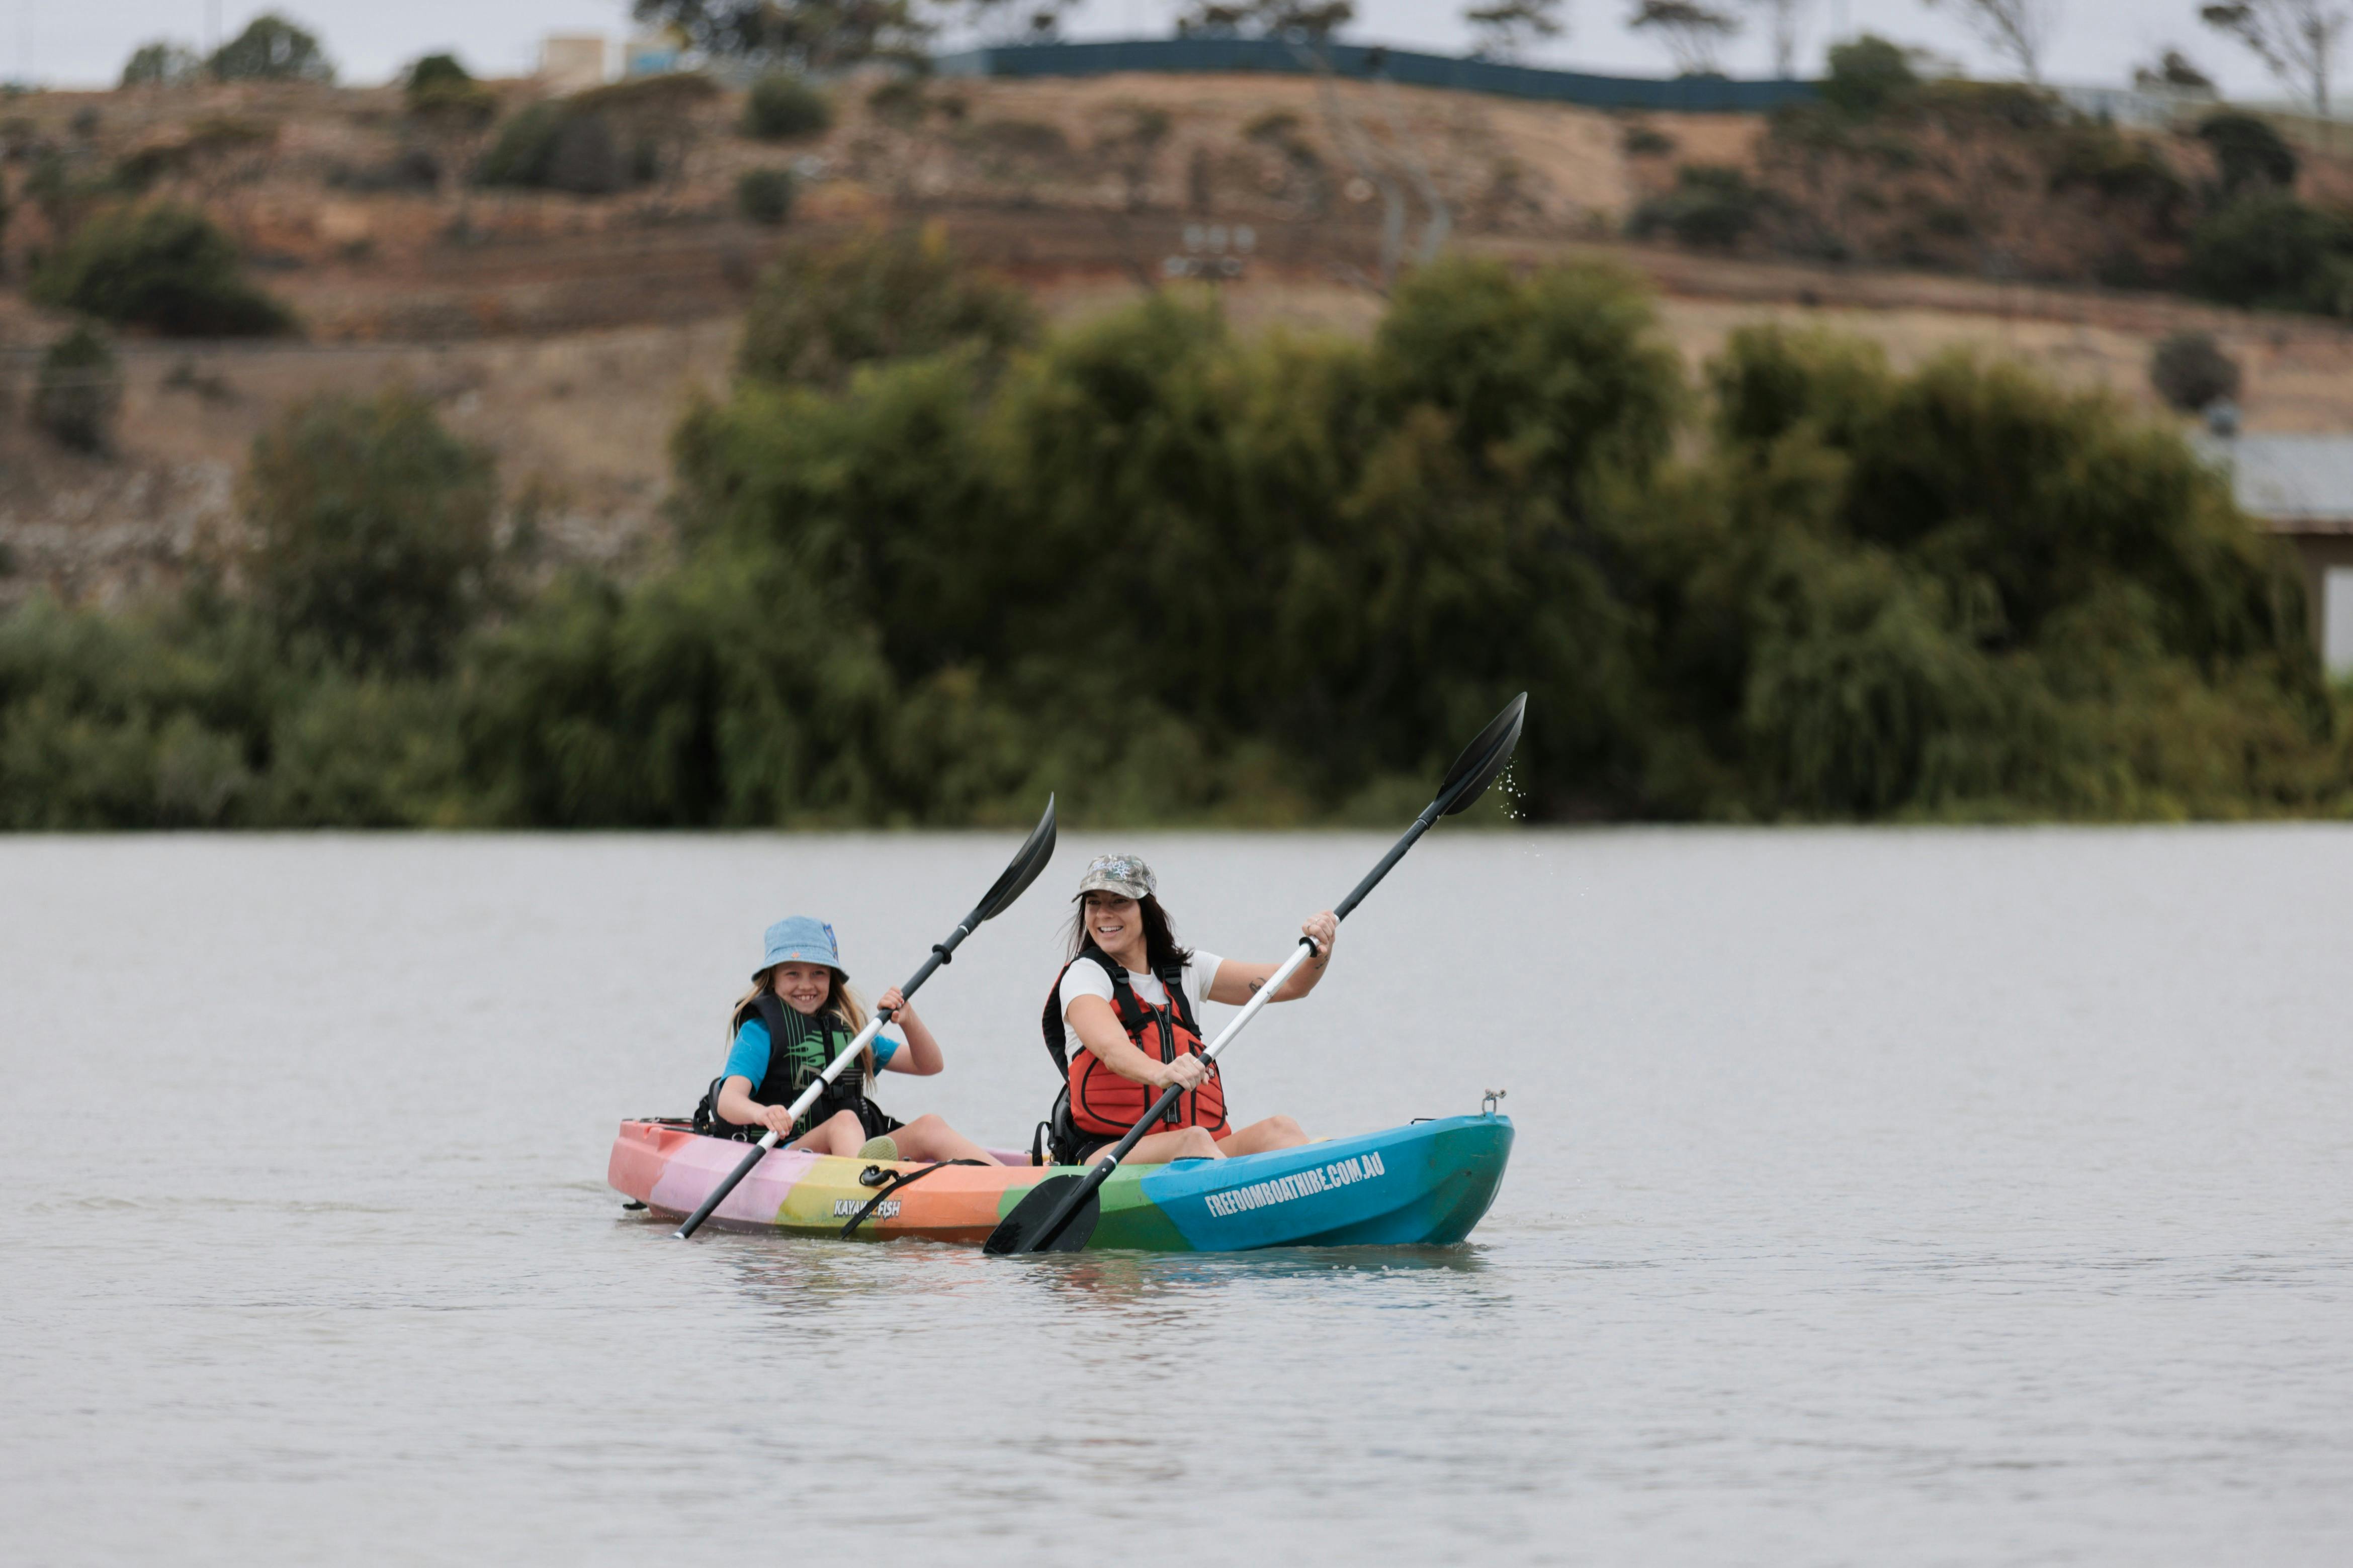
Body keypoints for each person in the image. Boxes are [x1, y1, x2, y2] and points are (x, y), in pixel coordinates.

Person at [1044, 853, 1332, 1165]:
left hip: (1197, 1150)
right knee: (1193, 1139)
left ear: (1146, 909)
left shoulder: (1187, 970)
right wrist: (1161, 1072)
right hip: (1108, 1156)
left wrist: (1320, 951)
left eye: (1119, 902)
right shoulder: (1084, 976)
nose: (1103, 915)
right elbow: (1111, 1048)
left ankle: (1327, 1194)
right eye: (1094, 903)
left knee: (1280, 1129)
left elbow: (1292, 985)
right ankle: (1236, 1205)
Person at [700, 916, 1002, 1165]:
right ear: (773, 979)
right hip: (787, 1158)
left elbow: (930, 1065)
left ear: (832, 979)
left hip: (855, 1158)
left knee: (930, 1126)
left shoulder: (851, 1032)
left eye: (818, 973)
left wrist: (909, 1021)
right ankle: (870, 1186)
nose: (806, 985)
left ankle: (1011, 1184)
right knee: (843, 1121)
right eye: (793, 974)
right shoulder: (760, 1032)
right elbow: (729, 1101)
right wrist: (761, 1113)